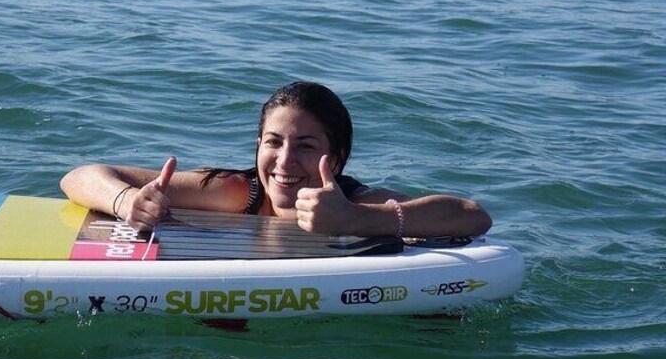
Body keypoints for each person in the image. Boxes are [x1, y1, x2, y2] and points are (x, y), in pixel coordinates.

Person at [60, 82, 492, 238]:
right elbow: (80, 176)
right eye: (273, 142)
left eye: (306, 145)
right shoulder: (236, 193)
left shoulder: (355, 201)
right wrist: (125, 202)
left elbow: (472, 216)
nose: (284, 161)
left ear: (336, 159)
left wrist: (358, 221)